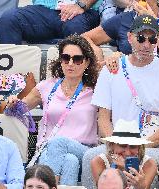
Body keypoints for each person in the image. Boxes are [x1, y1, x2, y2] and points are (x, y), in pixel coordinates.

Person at [82, 14, 159, 188]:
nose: (146, 44)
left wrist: (137, 150)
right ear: (130, 37)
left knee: (143, 164)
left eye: (152, 39)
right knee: (90, 158)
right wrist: (118, 147)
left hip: (154, 146)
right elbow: (103, 119)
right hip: (117, 144)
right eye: (141, 38)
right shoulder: (110, 70)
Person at [6, 34, 99, 185]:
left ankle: (49, 184)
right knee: (70, 161)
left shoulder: (96, 91)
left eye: (77, 59)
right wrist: (11, 103)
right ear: (60, 60)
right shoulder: (46, 86)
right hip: (49, 151)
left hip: (84, 149)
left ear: (86, 62)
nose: (70, 63)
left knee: (59, 143)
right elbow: (17, 110)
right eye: (65, 58)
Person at [82, 0, 159, 76]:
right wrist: (100, 56)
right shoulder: (124, 19)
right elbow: (84, 38)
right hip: (130, 79)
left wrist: (152, 21)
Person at [0, 0, 100, 44]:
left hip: (82, 11)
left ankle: (76, 86)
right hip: (43, 10)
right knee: (9, 19)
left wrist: (81, 5)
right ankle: (11, 81)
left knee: (75, 29)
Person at [92, 119, 157, 188]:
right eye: (122, 146)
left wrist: (141, 187)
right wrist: (117, 169)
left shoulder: (149, 164)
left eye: (133, 146)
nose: (128, 153)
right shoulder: (99, 162)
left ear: (139, 148)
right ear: (112, 145)